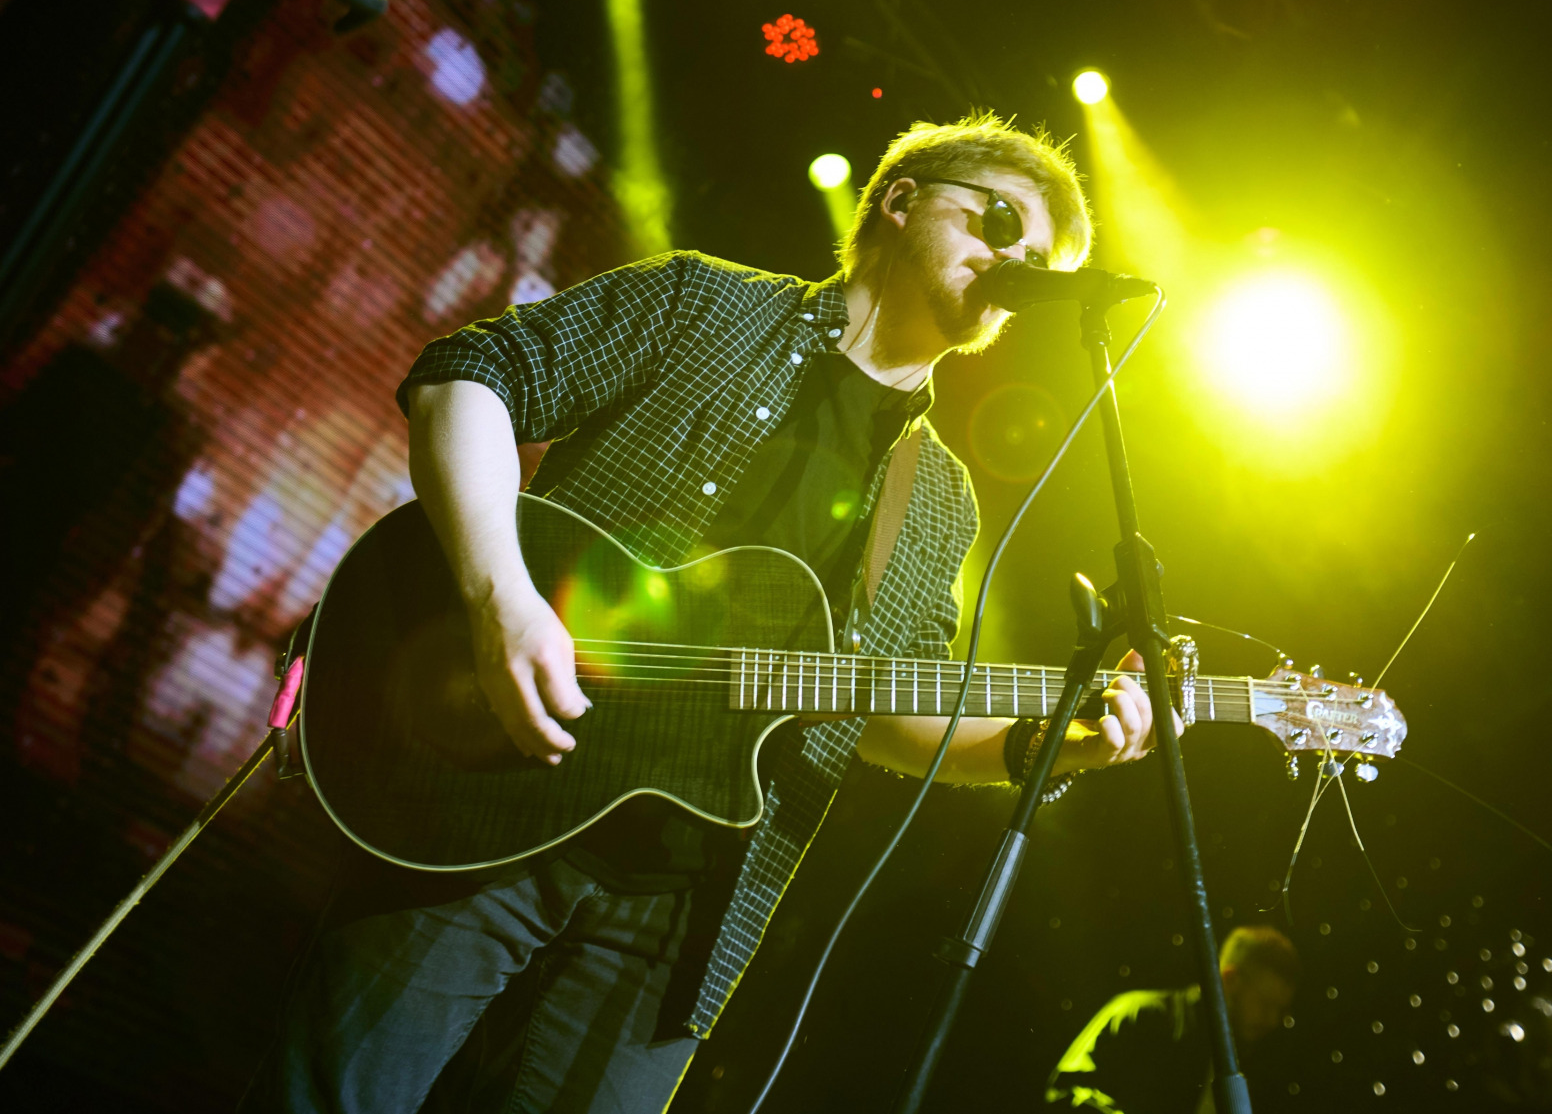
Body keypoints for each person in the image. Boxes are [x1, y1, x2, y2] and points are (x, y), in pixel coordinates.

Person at [244, 113, 1179, 1114]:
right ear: (900, 200)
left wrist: (1057, 744)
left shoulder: (941, 500)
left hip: (691, 912)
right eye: (998, 221)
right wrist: (501, 598)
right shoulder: (705, 306)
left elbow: (874, 713)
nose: (1016, 264)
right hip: (494, 802)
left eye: (1039, 259)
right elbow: (468, 379)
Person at [1046, 925, 1301, 1114]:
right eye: (1266, 1004)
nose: (1273, 1020)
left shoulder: (1244, 1062)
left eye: (1280, 1010)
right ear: (1230, 980)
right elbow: (1064, 1094)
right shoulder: (1141, 1012)